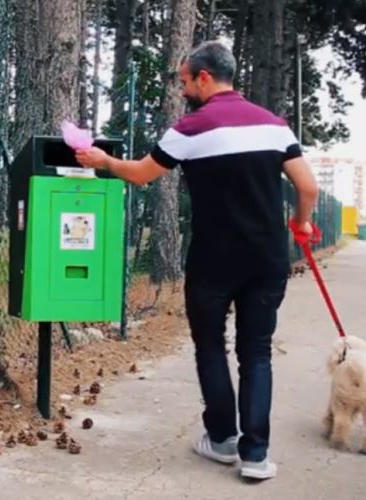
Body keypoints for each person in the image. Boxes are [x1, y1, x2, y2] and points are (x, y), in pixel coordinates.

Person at [76, 40, 319, 480]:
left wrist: (103, 160)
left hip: (213, 259)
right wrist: (300, 226)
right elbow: (308, 188)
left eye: (186, 80)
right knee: (257, 352)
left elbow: (142, 174)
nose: (183, 88)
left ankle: (222, 440)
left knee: (211, 346)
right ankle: (257, 455)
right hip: (266, 259)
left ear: (204, 77)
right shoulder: (275, 126)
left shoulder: (191, 128)